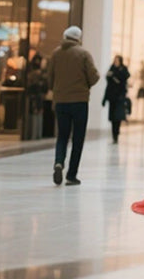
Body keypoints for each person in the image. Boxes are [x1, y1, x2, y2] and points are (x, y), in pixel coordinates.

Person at [48, 25, 100, 186]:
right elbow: (94, 76)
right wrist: (85, 85)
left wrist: (57, 90)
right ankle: (71, 175)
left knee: (62, 136)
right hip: (79, 102)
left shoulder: (56, 54)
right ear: (78, 38)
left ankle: (58, 162)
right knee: (78, 138)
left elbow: (50, 77)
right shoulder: (83, 54)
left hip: (61, 101)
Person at [102, 55, 130, 144]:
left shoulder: (123, 70)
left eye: (117, 61)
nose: (116, 62)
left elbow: (124, 78)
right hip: (112, 98)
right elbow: (108, 84)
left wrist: (114, 76)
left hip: (120, 98)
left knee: (118, 117)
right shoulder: (111, 68)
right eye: (115, 60)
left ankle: (116, 134)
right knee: (112, 118)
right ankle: (114, 135)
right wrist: (104, 99)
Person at [26, 53, 48, 140]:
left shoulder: (34, 73)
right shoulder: (40, 74)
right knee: (36, 114)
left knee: (37, 113)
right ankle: (35, 134)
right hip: (36, 95)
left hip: (36, 95)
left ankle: (35, 134)